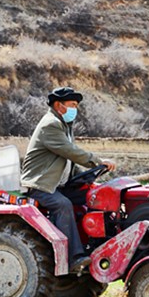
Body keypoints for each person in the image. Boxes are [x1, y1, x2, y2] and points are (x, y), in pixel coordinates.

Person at [20, 87, 116, 273]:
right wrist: (98, 161)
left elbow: (67, 160)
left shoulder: (63, 125)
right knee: (62, 204)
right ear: (59, 105)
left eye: (76, 106)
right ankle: (73, 257)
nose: (75, 110)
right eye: (72, 105)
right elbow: (70, 151)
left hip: (58, 183)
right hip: (41, 184)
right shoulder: (51, 125)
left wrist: (89, 175)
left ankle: (98, 245)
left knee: (94, 197)